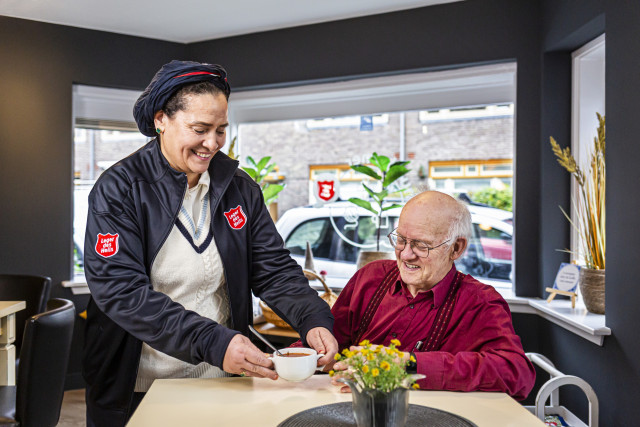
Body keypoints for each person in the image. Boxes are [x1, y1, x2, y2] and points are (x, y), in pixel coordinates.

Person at [82, 60, 338, 426]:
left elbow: (274, 270)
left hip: (222, 379)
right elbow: (120, 291)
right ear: (161, 120)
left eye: (221, 130)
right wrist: (215, 342)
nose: (212, 143)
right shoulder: (120, 189)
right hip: (139, 386)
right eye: (200, 129)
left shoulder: (239, 188)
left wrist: (313, 319)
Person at [330, 191, 535, 400]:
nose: (406, 254)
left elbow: (517, 374)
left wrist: (409, 365)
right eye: (401, 240)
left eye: (421, 245)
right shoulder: (370, 278)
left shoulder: (480, 303)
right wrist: (311, 354)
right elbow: (331, 343)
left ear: (456, 248)